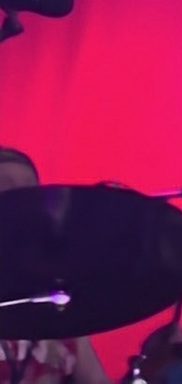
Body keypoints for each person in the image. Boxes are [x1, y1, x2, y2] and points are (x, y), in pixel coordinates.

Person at [0, 149, 113, 384]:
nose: (22, 201)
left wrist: (158, 362)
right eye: (7, 190)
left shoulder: (56, 301)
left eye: (29, 191)